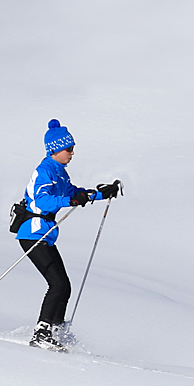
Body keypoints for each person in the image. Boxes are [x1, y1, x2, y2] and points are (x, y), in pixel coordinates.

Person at [17, 119, 121, 351]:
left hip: (45, 234)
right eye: (69, 149)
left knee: (64, 285)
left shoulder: (60, 172)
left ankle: (56, 331)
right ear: (55, 149)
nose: (72, 153)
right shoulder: (44, 170)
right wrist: (70, 200)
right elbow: (42, 199)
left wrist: (101, 194)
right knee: (58, 284)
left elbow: (74, 193)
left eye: (73, 148)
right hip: (32, 233)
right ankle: (42, 333)